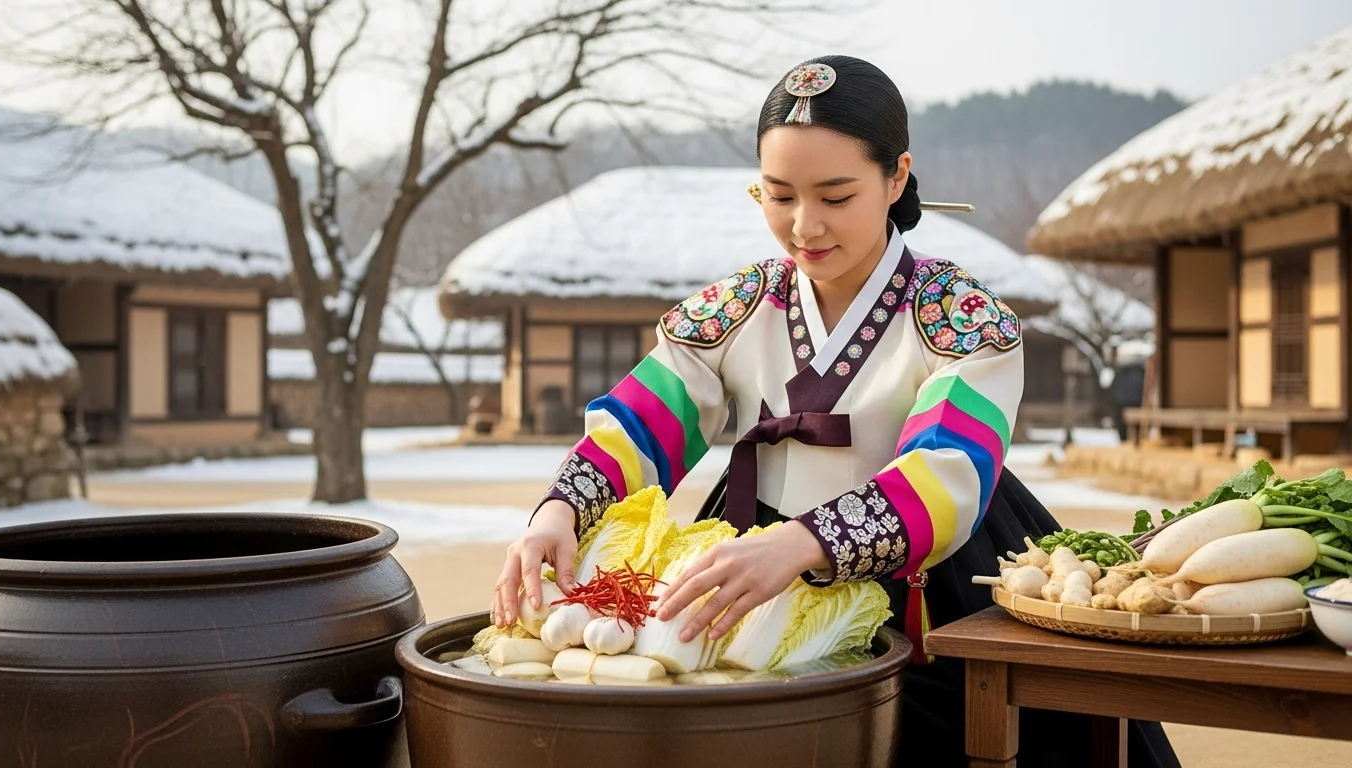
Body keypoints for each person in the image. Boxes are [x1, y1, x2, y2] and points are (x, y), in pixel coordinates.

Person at [493, 55, 1181, 768]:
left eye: (836, 195)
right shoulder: (741, 305)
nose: (804, 226)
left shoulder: (958, 316)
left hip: (931, 574)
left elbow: (950, 468)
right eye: (779, 195)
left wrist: (801, 544)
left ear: (896, 177)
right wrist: (559, 512)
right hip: (750, 561)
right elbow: (646, 419)